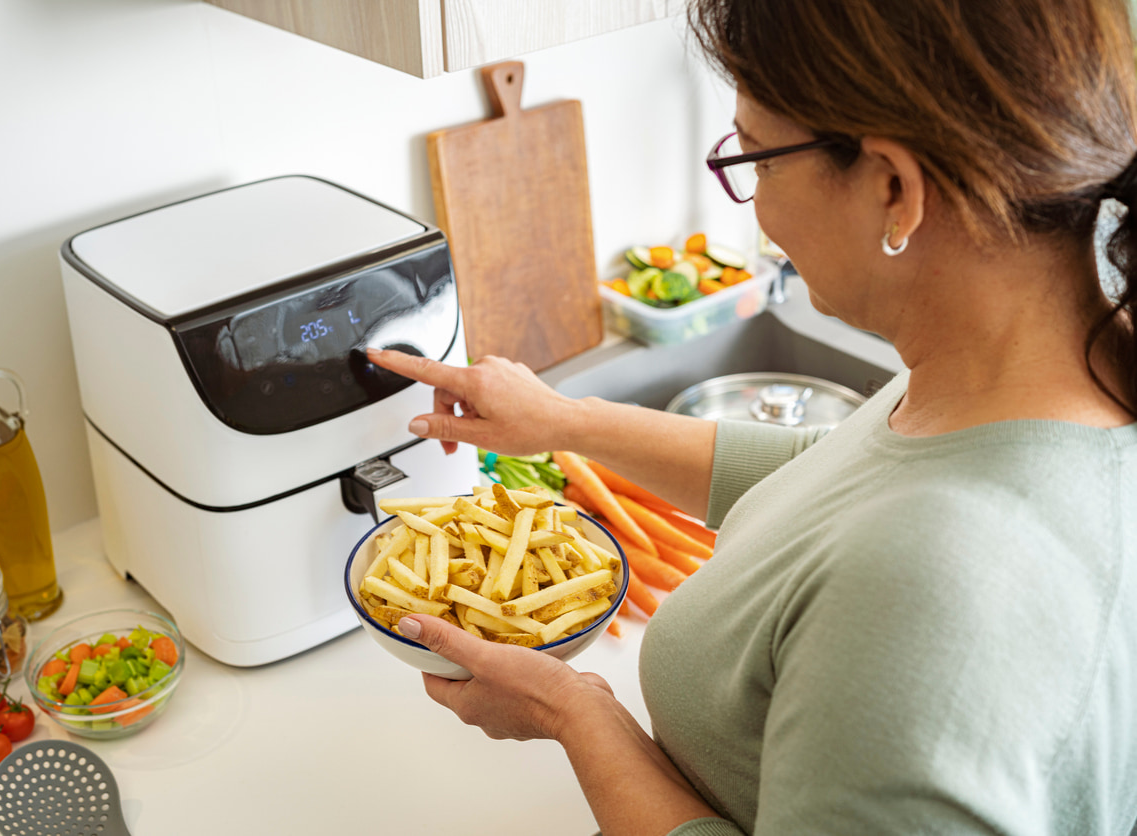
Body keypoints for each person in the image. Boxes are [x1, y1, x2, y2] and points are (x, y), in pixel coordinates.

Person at [368, 0, 1137, 832]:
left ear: (892, 187)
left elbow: (891, 540)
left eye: (756, 160)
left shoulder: (929, 590)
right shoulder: (1051, 348)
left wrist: (573, 713)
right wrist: (564, 422)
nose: (752, 208)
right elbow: (835, 480)